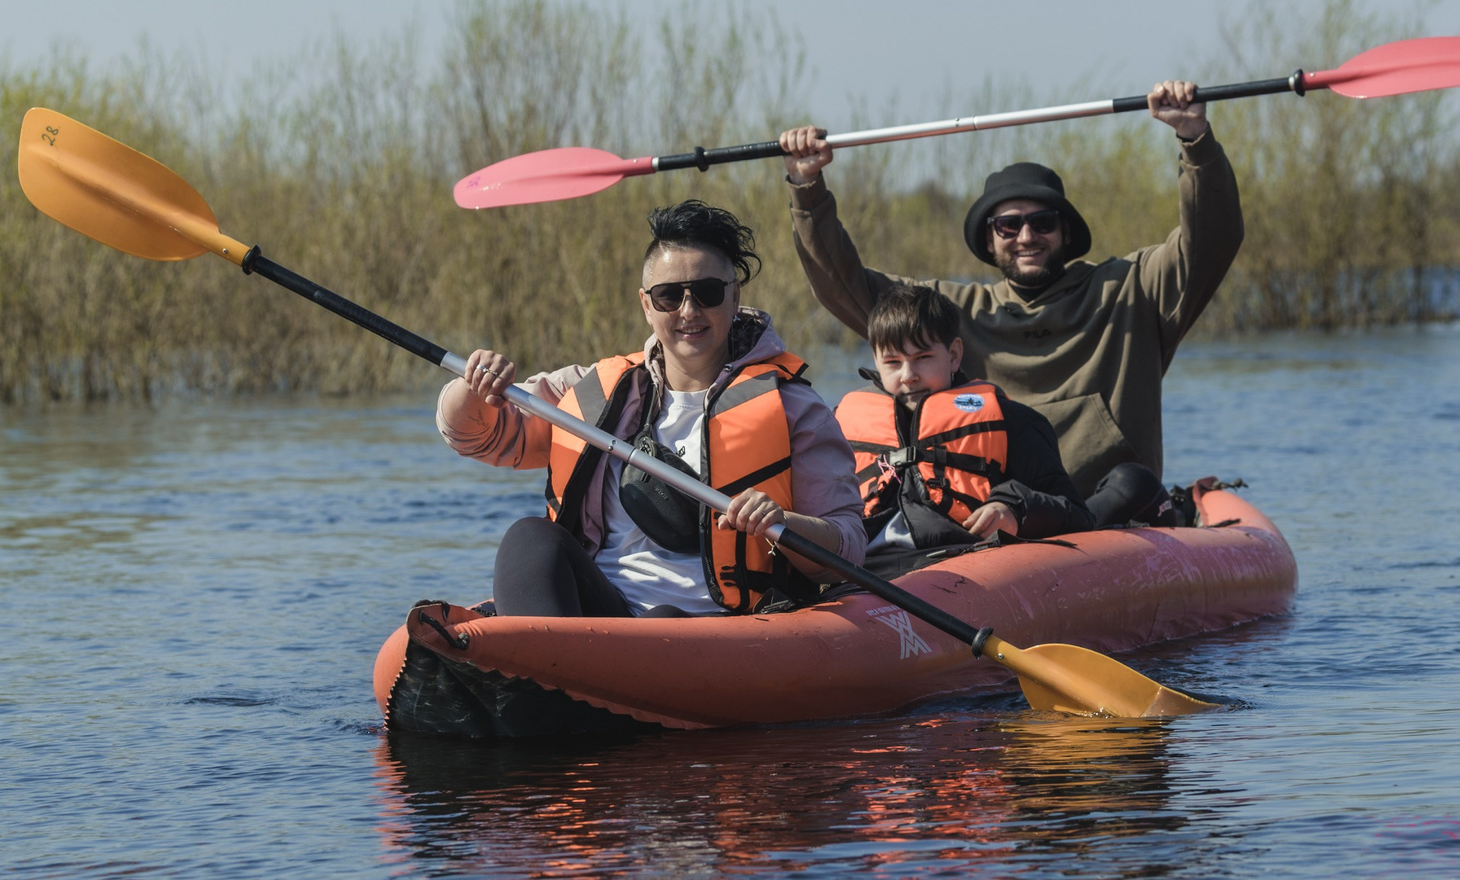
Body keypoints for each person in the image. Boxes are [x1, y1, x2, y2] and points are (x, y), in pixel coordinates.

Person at [780, 80, 1241, 526]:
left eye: (1042, 223)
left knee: (1132, 482)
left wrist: (1193, 139)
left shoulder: (1133, 289)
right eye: (1008, 226)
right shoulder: (949, 310)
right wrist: (807, 187)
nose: (1026, 237)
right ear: (989, 237)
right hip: (992, 514)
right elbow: (844, 285)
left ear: (1065, 232)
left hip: (1107, 512)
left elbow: (1210, 242)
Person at [437, 199, 868, 618]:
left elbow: (847, 544)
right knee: (528, 538)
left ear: (735, 298)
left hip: (716, 630)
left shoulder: (795, 408)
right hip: (603, 612)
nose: (689, 311)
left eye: (707, 292)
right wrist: (473, 388)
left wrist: (785, 524)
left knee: (664, 617)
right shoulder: (593, 391)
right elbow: (476, 436)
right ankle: (539, 671)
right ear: (646, 305)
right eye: (668, 296)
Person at [838, 281, 1094, 576]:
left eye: (923, 358)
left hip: (965, 568)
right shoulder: (837, 425)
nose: (908, 376)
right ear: (876, 361)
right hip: (865, 574)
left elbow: (1077, 515)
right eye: (893, 362)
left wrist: (1015, 507)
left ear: (954, 355)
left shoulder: (1012, 422)